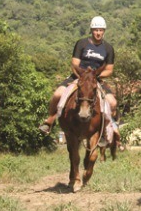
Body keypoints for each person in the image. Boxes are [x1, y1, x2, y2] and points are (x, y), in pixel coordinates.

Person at [38, 16, 118, 147]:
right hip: (78, 77)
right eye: (95, 30)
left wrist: (94, 76)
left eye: (101, 30)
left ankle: (103, 131)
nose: (98, 33)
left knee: (113, 103)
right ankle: (50, 120)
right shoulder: (82, 44)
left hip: (96, 79)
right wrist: (83, 76)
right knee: (58, 94)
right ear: (91, 30)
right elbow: (74, 64)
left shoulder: (108, 48)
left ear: (104, 31)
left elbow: (109, 70)